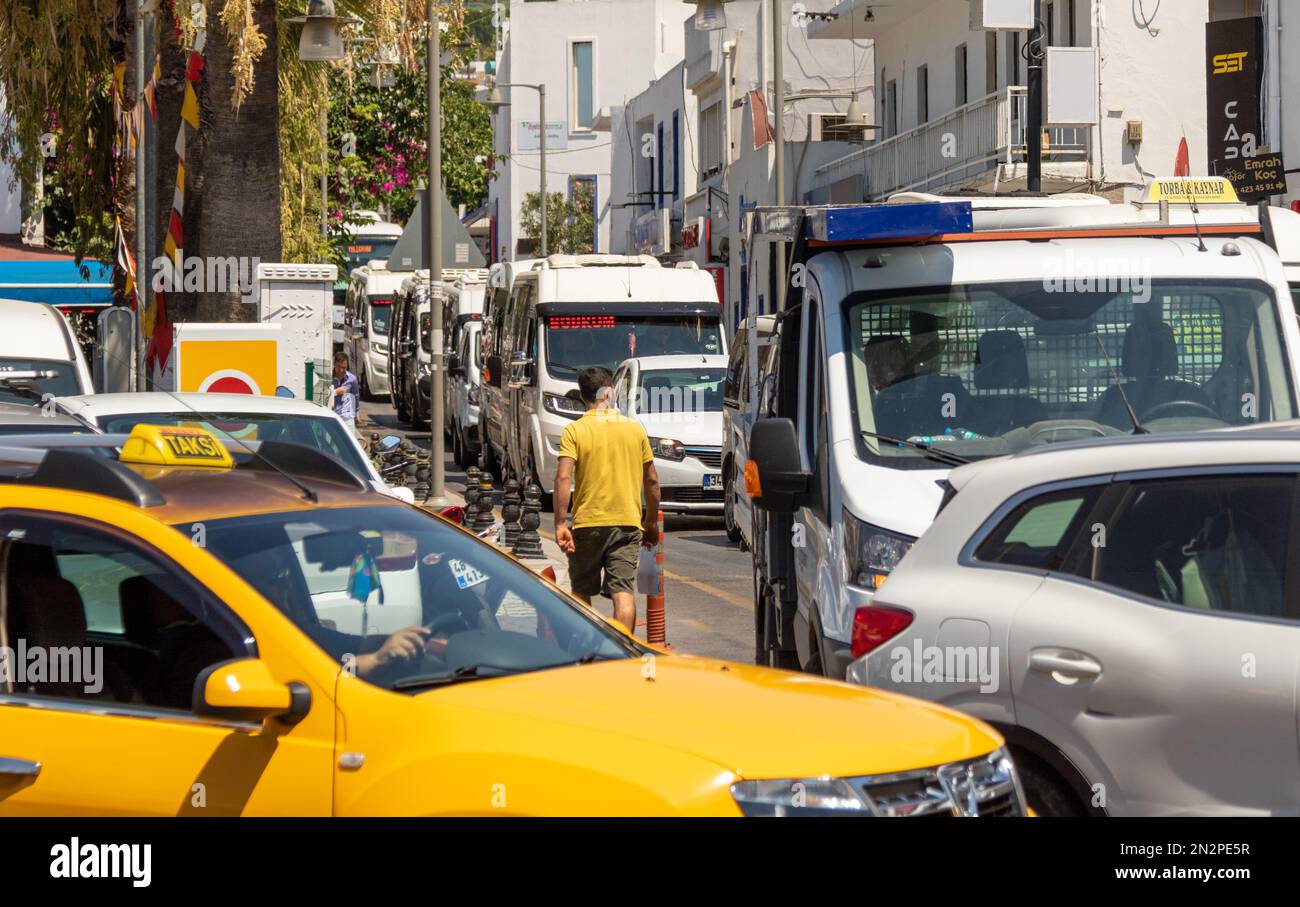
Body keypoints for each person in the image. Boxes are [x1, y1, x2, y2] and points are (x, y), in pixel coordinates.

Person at [553, 366, 661, 632]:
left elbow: (563, 478)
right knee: (622, 593)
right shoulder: (634, 430)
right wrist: (649, 522)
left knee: (581, 591)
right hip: (626, 523)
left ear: (582, 396)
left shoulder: (574, 431)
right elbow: (652, 481)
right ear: (610, 392)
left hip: (587, 524)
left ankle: (589, 650)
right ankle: (622, 655)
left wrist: (560, 523)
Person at [332, 352, 361, 436]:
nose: (341, 370)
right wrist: (335, 392)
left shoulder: (352, 379)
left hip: (347, 417)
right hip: (332, 417)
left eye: (344, 368)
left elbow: (356, 396)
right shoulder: (328, 378)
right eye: (339, 367)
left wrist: (356, 413)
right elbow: (323, 394)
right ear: (334, 365)